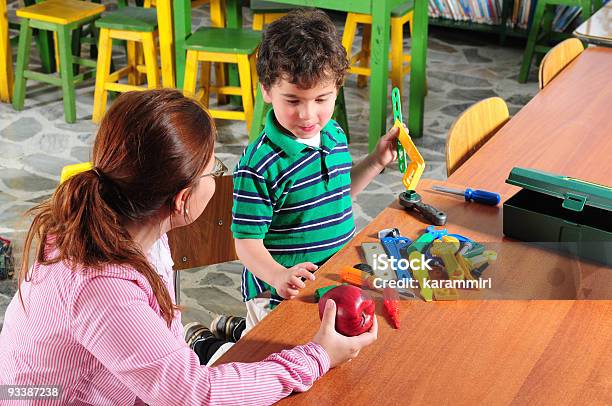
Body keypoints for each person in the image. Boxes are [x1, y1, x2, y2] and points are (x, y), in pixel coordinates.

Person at [0, 90, 377, 404]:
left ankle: (208, 342)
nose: (218, 177)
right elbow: (195, 396)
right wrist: (317, 356)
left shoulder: (125, 224)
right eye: (214, 171)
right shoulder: (101, 286)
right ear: (182, 199)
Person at [230, 9, 402, 331]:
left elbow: (337, 195)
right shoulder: (259, 166)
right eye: (293, 101)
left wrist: (375, 161)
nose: (309, 114)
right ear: (267, 90)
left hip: (333, 283)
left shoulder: (334, 133)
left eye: (322, 99)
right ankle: (229, 337)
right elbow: (246, 244)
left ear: (337, 87)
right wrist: (278, 276)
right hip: (279, 297)